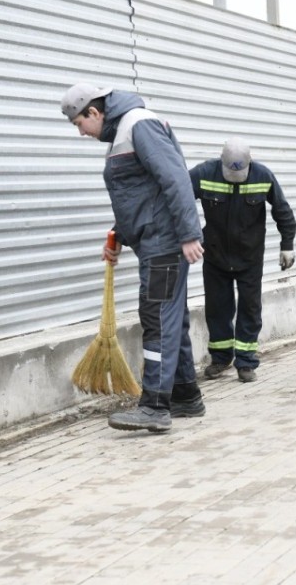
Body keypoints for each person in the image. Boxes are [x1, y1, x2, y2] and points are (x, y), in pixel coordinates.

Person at [60, 84, 205, 433]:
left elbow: (175, 180)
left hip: (165, 244)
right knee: (171, 318)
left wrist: (188, 234)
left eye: (80, 123)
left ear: (94, 113)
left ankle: (155, 406)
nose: (81, 132)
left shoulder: (138, 124)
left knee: (157, 316)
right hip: (156, 240)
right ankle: (185, 395)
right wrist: (118, 236)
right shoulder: (123, 132)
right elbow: (140, 197)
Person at [189, 138, 296, 383]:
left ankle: (246, 362)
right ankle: (220, 357)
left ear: (250, 162)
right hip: (215, 255)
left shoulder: (262, 176)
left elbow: (283, 211)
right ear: (221, 161)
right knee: (218, 308)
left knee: (250, 308)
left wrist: (287, 245)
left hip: (249, 256)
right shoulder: (204, 174)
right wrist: (189, 235)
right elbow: (179, 201)